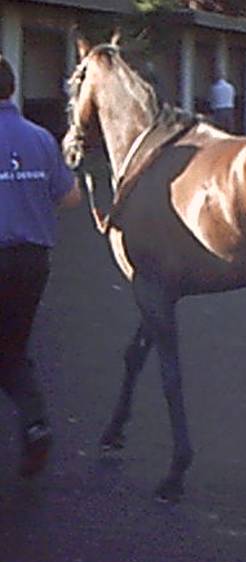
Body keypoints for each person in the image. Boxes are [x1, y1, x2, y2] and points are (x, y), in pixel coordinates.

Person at [0, 54, 81, 478]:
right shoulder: (41, 138)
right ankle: (35, 425)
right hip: (32, 263)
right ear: (12, 88)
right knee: (13, 349)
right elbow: (71, 197)